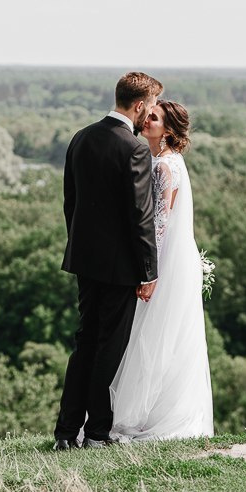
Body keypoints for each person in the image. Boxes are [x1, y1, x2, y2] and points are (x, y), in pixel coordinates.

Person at [53, 72, 161, 450]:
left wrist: (80, 247)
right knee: (108, 348)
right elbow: (140, 216)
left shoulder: (80, 137)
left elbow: (71, 202)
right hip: (119, 268)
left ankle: (66, 432)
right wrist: (149, 271)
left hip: (84, 260)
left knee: (85, 342)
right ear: (139, 105)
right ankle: (97, 432)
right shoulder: (134, 148)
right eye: (149, 106)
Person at [109, 100, 214, 441]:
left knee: (154, 335)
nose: (145, 120)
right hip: (176, 258)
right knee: (164, 334)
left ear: (167, 130)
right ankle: (156, 412)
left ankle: (149, 417)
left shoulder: (163, 168)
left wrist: (147, 271)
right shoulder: (169, 161)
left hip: (165, 261)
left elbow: (159, 224)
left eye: (153, 118)